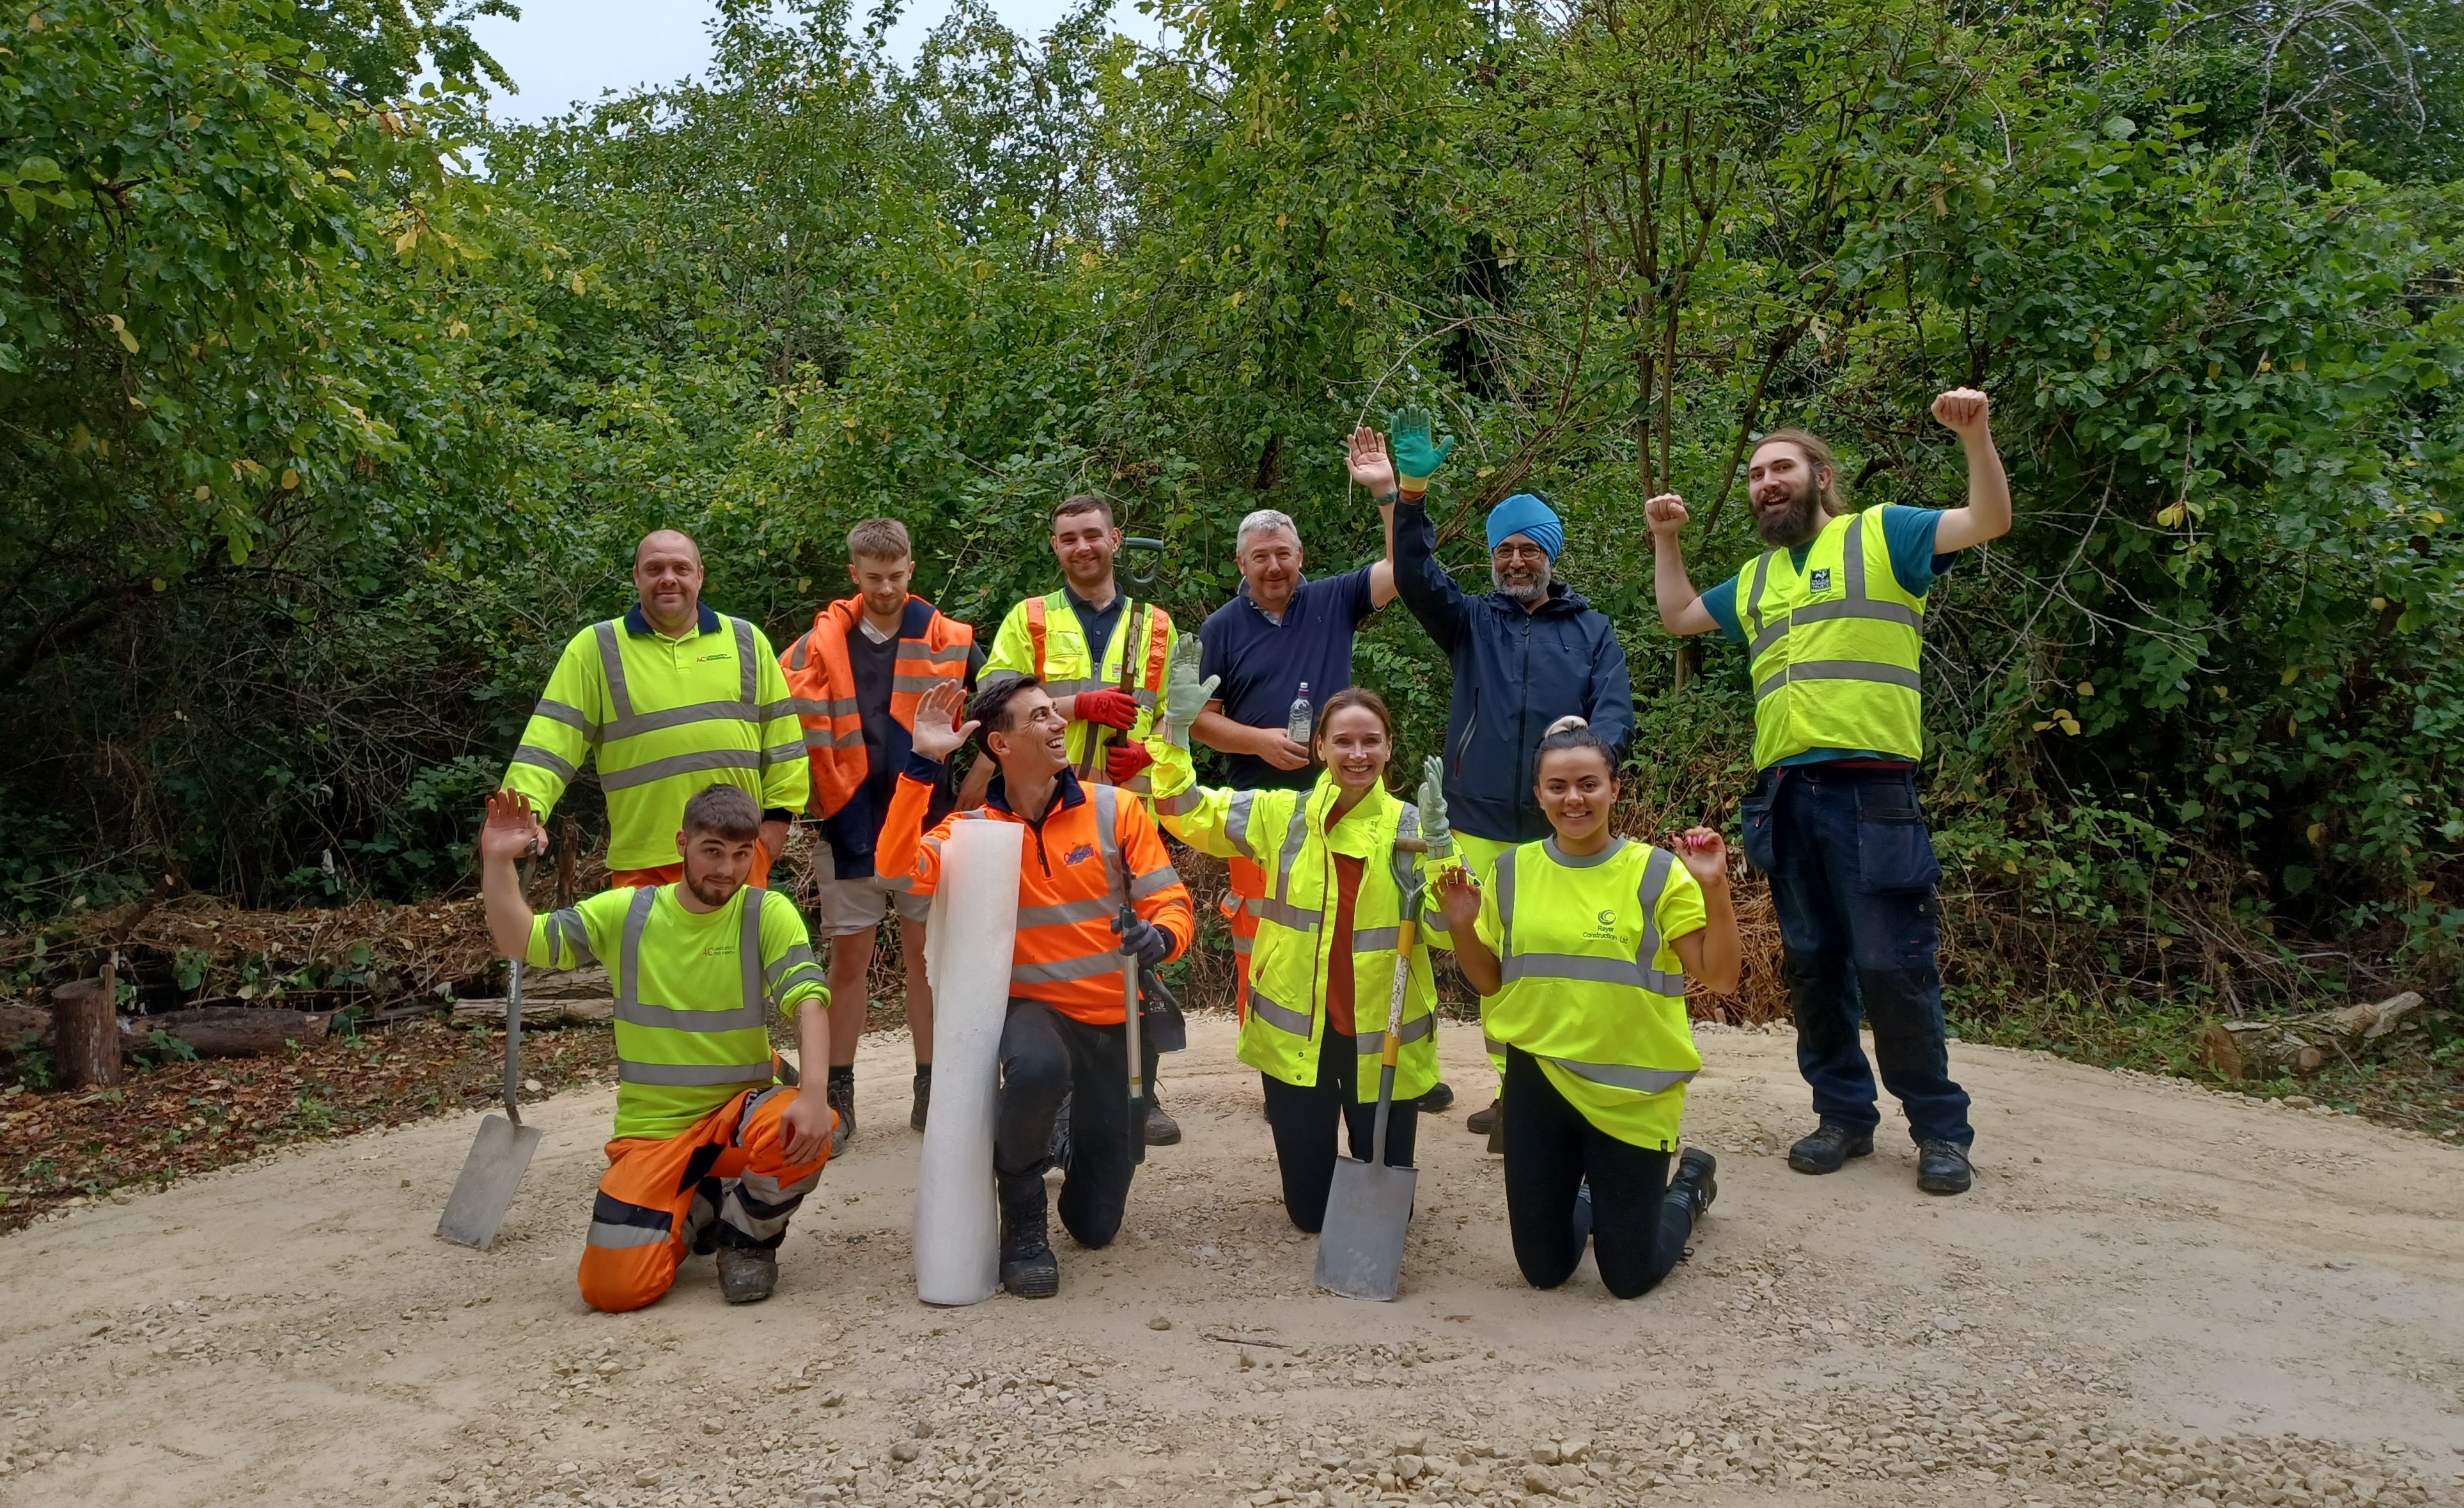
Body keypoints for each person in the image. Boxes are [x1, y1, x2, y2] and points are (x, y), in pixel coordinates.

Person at [1645, 388, 2011, 1195]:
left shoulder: (1882, 534)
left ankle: (1938, 1130)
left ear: (1818, 476)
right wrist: (1665, 538)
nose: (1765, 483)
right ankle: (1842, 1115)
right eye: (1753, 475)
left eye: (1780, 468)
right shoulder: (1755, 579)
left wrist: (1975, 437)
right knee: (1813, 964)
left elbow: (1987, 520)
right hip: (1784, 796)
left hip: (1871, 792)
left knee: (1892, 962)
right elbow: (1675, 617)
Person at [878, 676, 1196, 1298]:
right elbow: (898, 874)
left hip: (1118, 1022)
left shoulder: (1115, 808)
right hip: (1036, 1014)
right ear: (1000, 743)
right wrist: (921, 765)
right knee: (1034, 1068)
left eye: (1057, 714)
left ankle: (1064, 1130)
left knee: (1095, 1225)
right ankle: (1022, 1216)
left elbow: (1169, 899)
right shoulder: (972, 830)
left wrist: (1162, 937)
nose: (1059, 725)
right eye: (1041, 718)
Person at [477, 783, 834, 1311]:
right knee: (613, 1290)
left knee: (809, 1124)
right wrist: (498, 861)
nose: (727, 870)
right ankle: (701, 1204)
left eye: (741, 855)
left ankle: (747, 1242)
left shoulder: (765, 911)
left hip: (738, 1114)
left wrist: (813, 1094)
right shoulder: (628, 914)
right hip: (654, 1133)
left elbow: (809, 1000)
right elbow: (519, 940)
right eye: (712, 851)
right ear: (682, 844)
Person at [1389, 409, 1637, 1135]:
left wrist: (1590, 761)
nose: (1516, 561)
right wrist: (1409, 496)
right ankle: (1511, 1093)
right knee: (1483, 957)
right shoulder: (1470, 621)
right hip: (1477, 820)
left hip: (1564, 830)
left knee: (1553, 960)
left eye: (1529, 549)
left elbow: (1615, 714)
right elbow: (1411, 575)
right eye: (1505, 551)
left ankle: (1554, 1091)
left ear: (1551, 556)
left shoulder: (1591, 631)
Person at [1190, 432, 1453, 1113]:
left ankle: (1386, 1060)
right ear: (1239, 563)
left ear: (1300, 556)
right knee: (1266, 939)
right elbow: (1199, 719)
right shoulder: (1220, 626)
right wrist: (1259, 739)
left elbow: (1406, 572)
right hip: (1259, 809)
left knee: (1371, 936)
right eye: (1259, 558)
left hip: (1346, 800)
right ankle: (1282, 1069)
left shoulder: (1334, 598)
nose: (1273, 567)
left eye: (1282, 554)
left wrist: (1385, 495)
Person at [1433, 718, 1738, 1299]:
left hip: (1631, 1091)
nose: (1574, 799)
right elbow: (1491, 982)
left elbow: (1720, 976)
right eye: (1558, 786)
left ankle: (1689, 1186)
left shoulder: (1656, 873)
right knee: (1544, 1271)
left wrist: (1714, 887)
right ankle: (1593, 1186)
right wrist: (1463, 929)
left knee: (1629, 1277)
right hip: (1538, 1081)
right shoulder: (1512, 872)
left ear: (1614, 788)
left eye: (1588, 784)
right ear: (1539, 794)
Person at [1156, 677, 1454, 1231]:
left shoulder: (1417, 826)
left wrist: (1442, 854)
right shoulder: (1280, 816)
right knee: (1312, 1216)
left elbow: (1445, 929)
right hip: (1299, 1036)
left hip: (1382, 1037)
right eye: (1343, 741)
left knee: (1388, 1216)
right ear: (1319, 747)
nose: (1357, 754)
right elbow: (1182, 809)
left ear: (1390, 746)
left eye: (1371, 741)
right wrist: (1174, 732)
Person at [980, 494, 1192, 1144]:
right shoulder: (1030, 619)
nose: (1082, 548)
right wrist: (1076, 706)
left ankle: (1139, 1083)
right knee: (1055, 952)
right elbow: (993, 699)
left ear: (1115, 540)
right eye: (1068, 538)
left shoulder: (1156, 627)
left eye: (1092, 535)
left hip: (1125, 814)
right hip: (1046, 813)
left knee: (1138, 942)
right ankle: (1058, 1092)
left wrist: (1144, 760)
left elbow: (1172, 724)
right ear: (1055, 546)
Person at [779, 517, 988, 1151]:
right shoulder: (812, 646)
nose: (886, 587)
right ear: (854, 575)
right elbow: (776, 729)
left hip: (929, 828)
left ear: (910, 570)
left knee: (927, 964)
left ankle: (933, 1090)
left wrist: (978, 780)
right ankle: (838, 1093)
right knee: (848, 965)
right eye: (874, 578)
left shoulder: (950, 639)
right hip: (848, 826)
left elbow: (999, 706)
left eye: (896, 576)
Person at [501, 529, 808, 888]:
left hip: (734, 856)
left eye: (680, 568)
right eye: (654, 568)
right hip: (643, 863)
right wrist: (524, 812)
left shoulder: (746, 640)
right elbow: (550, 741)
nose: (668, 579)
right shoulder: (597, 649)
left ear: (700, 575)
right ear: (636, 576)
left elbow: (783, 739)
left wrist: (777, 825)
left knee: (737, 948)